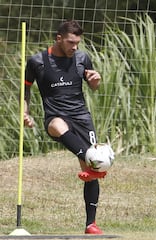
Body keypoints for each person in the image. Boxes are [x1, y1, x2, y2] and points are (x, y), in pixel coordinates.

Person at [23, 20, 106, 234]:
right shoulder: (37, 61)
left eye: (78, 42)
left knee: (91, 171)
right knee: (57, 127)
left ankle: (91, 224)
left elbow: (93, 86)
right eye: (71, 42)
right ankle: (88, 157)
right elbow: (26, 89)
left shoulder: (82, 58)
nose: (75, 47)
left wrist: (96, 80)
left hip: (82, 117)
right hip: (56, 115)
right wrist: (24, 112)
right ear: (59, 38)